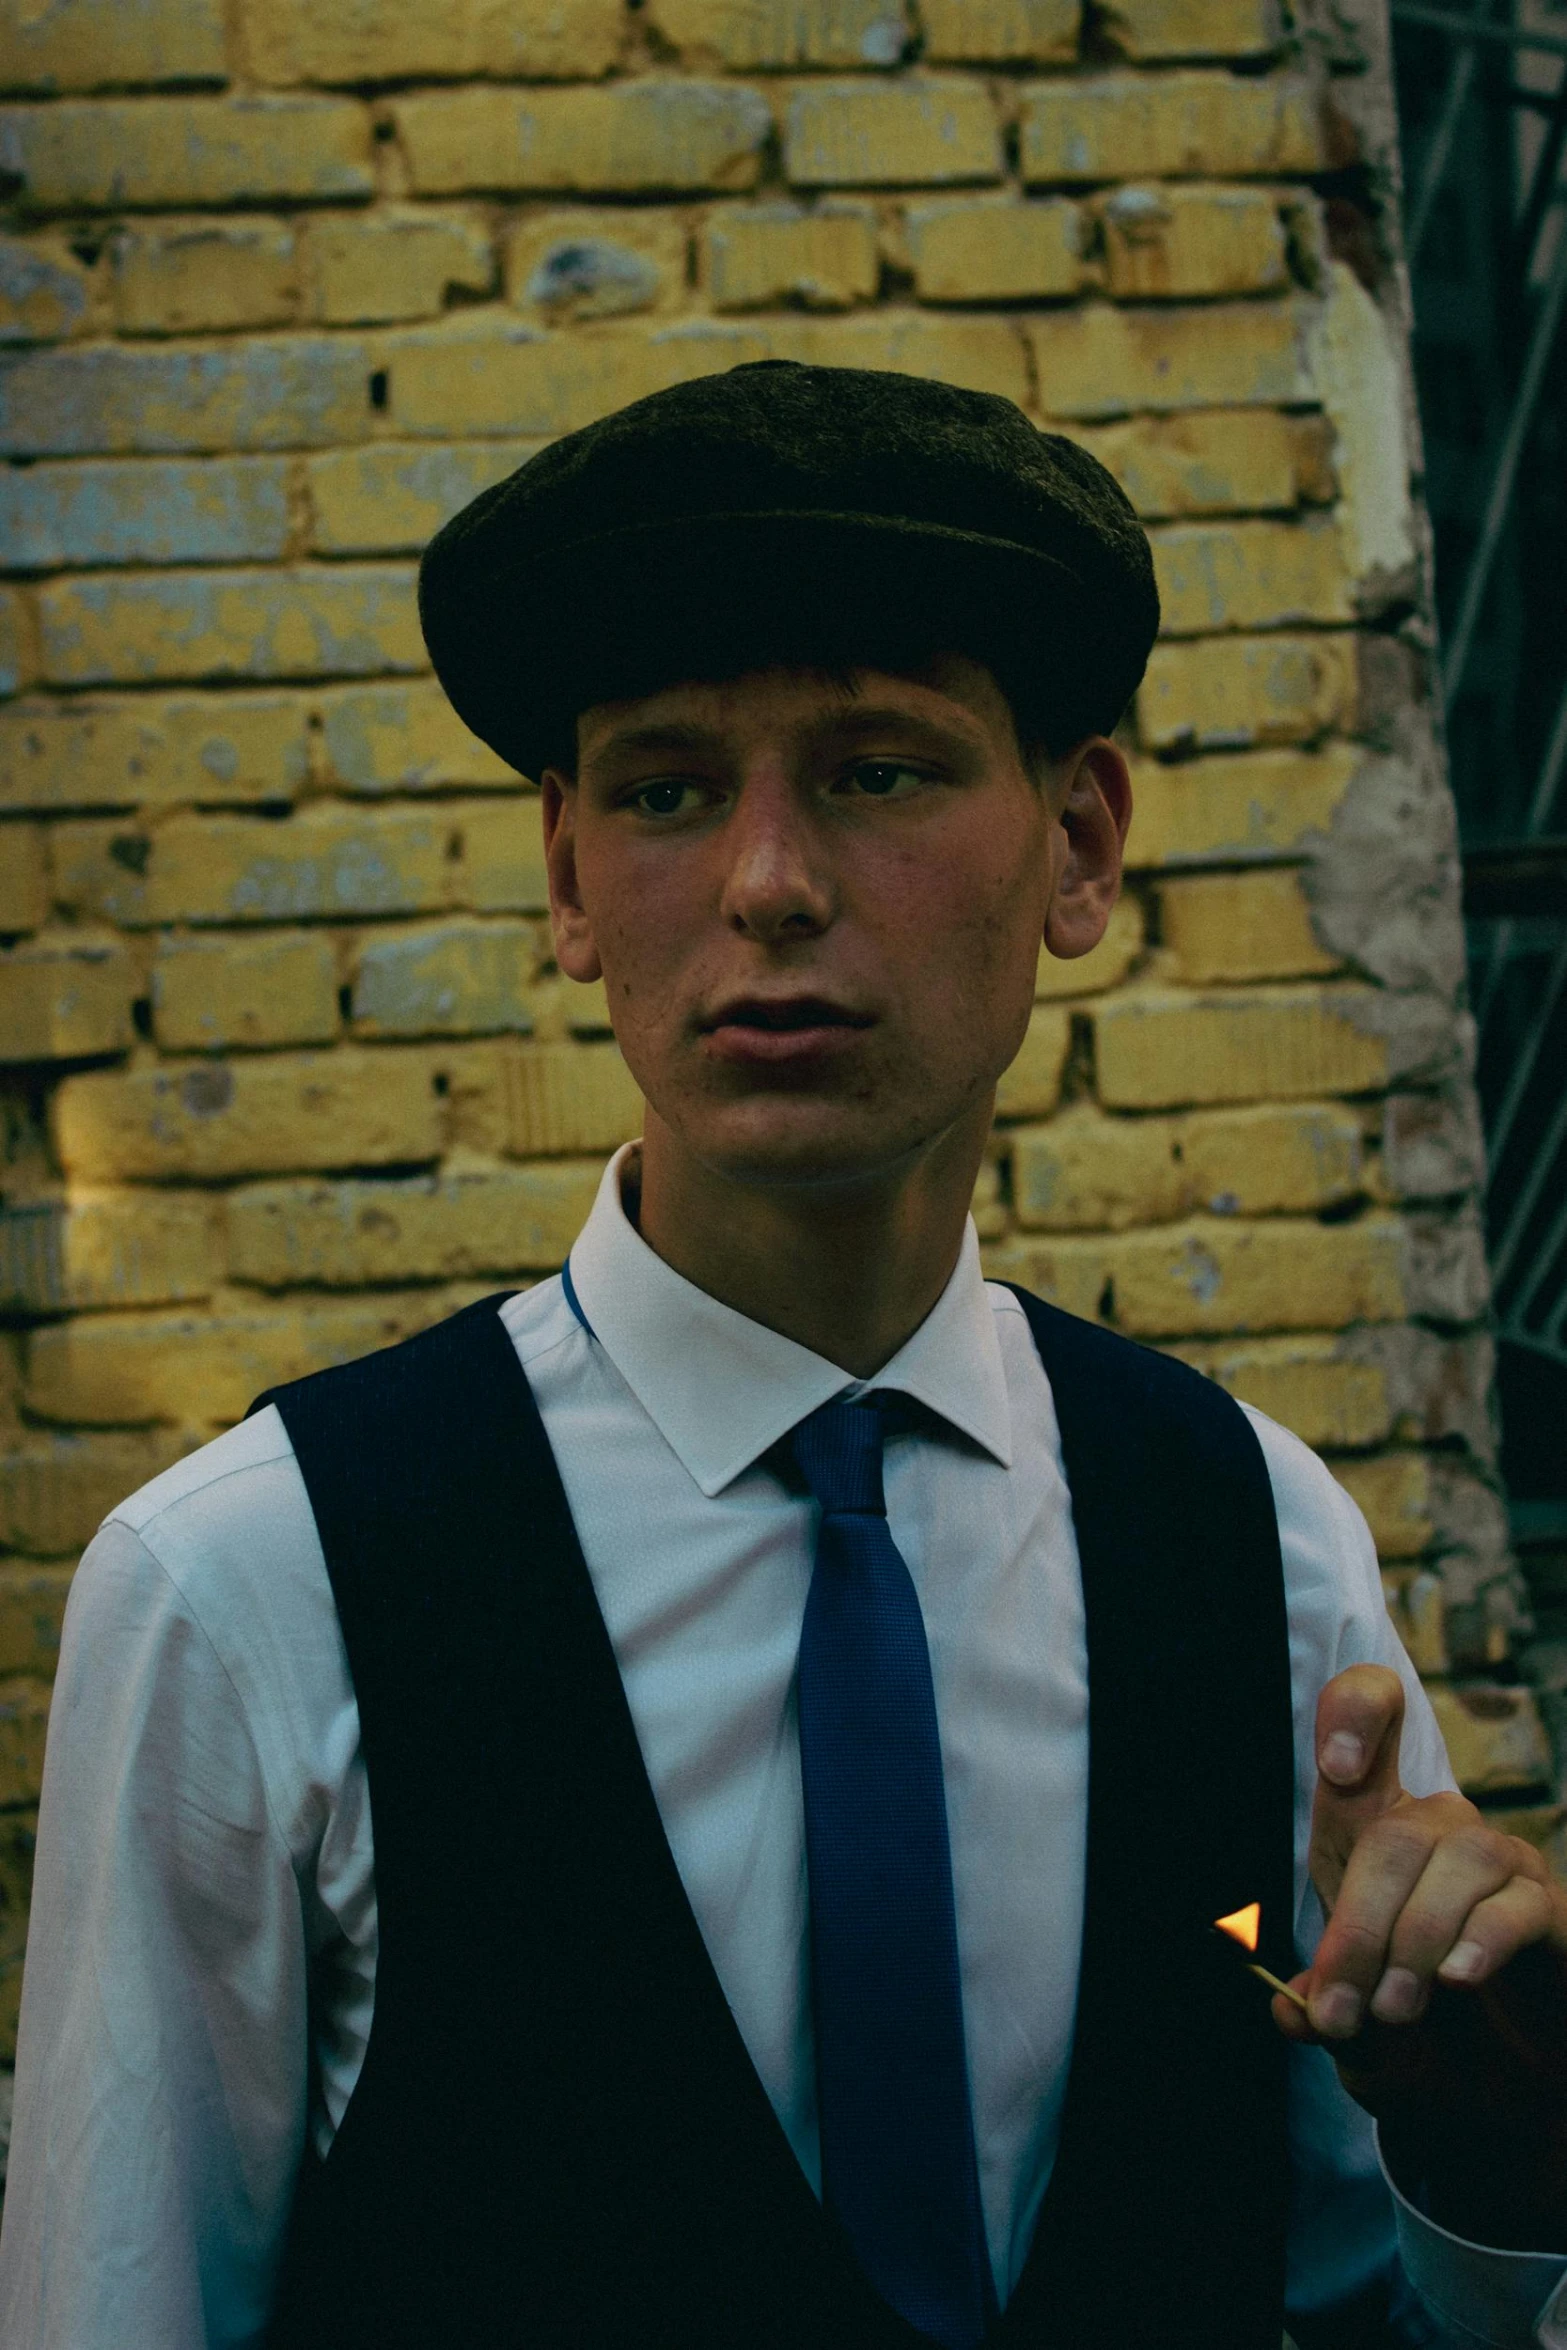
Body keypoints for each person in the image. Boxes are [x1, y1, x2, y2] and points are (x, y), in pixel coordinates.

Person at [1, 360, 1564, 2350]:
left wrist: (1503, 2163)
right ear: (569, 875)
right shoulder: (250, 1585)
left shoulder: (1254, 1543)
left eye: (879, 767)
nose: (763, 881)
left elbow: (1363, 2294)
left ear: (1081, 845)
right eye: (664, 787)